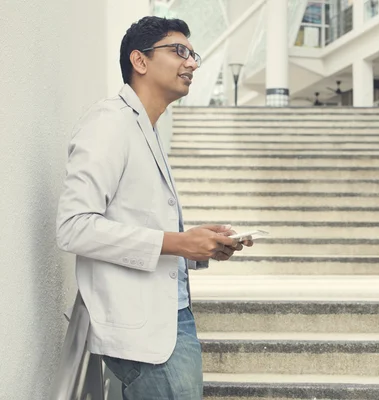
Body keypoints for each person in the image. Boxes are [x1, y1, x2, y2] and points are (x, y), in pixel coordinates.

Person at [55, 16, 251, 399]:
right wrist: (178, 243)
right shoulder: (109, 123)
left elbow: (140, 222)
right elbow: (73, 226)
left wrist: (200, 244)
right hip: (145, 334)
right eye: (179, 51)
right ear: (140, 62)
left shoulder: (149, 128)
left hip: (169, 317)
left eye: (193, 54)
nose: (192, 63)